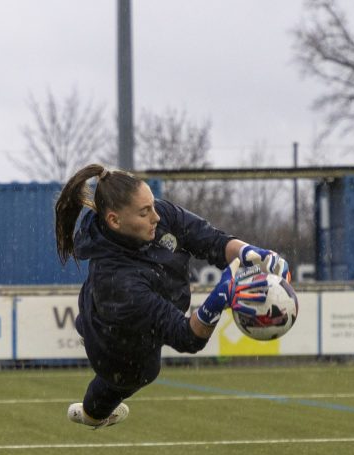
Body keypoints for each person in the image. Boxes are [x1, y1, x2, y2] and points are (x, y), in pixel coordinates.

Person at [55, 163, 291, 428]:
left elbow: (211, 240)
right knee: (135, 375)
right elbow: (187, 337)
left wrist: (250, 253)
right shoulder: (117, 283)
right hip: (115, 343)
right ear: (114, 220)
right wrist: (219, 297)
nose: (156, 216)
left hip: (131, 306)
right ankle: (92, 414)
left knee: (137, 363)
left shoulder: (159, 215)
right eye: (145, 212)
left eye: (152, 205)